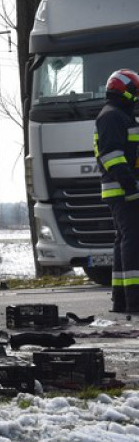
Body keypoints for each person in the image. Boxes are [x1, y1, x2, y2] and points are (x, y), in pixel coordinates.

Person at [94, 68, 139, 312]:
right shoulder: (112, 117)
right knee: (134, 241)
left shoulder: (119, 115)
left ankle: (122, 300)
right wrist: (130, 186)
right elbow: (112, 155)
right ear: (125, 91)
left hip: (121, 189)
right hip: (122, 190)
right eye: (135, 92)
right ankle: (134, 300)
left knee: (125, 240)